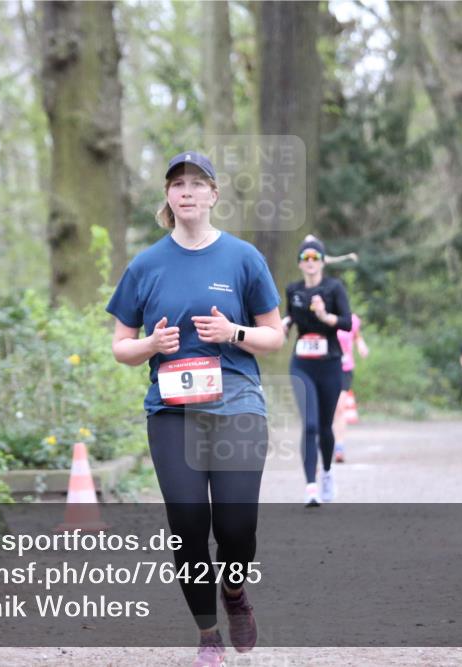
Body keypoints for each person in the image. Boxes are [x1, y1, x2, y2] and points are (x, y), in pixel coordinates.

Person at [107, 151, 285, 667]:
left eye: (196, 183)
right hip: (171, 410)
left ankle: (234, 593)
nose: (186, 192)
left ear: (213, 195)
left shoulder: (243, 258)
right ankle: (208, 636)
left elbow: (273, 335)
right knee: (187, 525)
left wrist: (235, 333)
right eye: (177, 184)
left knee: (235, 528)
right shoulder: (145, 265)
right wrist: (151, 346)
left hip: (237, 405)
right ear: (168, 196)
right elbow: (121, 343)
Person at [282, 236, 352, 506]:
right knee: (309, 424)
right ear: (300, 263)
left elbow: (347, 323)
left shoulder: (334, 288)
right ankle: (310, 486)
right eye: (305, 258)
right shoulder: (293, 290)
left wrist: (325, 317)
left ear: (322, 262)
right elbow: (291, 315)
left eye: (315, 258)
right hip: (302, 364)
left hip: (330, 363)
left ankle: (327, 473)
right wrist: (284, 324)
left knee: (325, 426)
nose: (310, 262)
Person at [333, 312, 369, 462]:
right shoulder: (323, 316)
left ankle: (339, 447)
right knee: (327, 409)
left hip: (345, 369)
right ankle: (324, 443)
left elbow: (356, 335)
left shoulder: (351, 319)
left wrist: (361, 345)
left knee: (340, 408)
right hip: (325, 367)